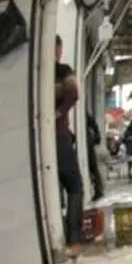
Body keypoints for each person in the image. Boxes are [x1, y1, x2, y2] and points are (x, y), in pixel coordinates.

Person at [54, 34, 86, 247]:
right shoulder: (62, 70)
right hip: (60, 136)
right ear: (57, 49)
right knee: (75, 186)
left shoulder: (36, 74)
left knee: (56, 189)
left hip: (44, 140)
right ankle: (73, 236)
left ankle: (61, 232)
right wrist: (58, 113)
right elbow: (74, 93)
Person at [86, 111, 104, 200]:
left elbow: (93, 125)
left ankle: (98, 189)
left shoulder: (84, 115)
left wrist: (96, 137)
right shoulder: (85, 115)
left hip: (87, 142)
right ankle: (98, 189)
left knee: (92, 167)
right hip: (88, 141)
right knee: (93, 167)